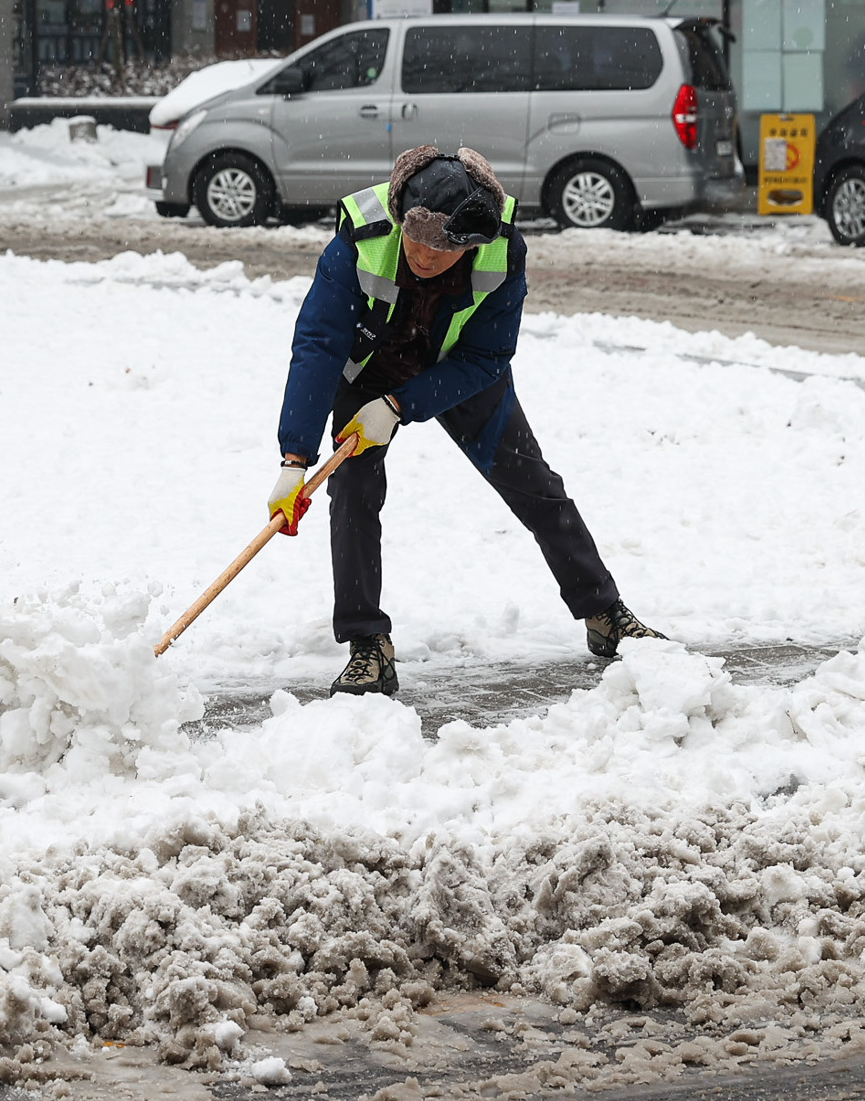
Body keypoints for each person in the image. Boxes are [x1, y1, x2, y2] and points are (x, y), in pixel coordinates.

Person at [268, 145, 667, 697]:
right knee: (353, 497)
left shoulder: (503, 251)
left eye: (443, 249)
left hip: (460, 368)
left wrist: (403, 406)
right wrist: (295, 458)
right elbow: (318, 342)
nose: (426, 258)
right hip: (369, 373)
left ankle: (604, 612)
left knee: (535, 487)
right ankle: (368, 647)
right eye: (418, 240)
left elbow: (488, 355)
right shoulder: (360, 240)